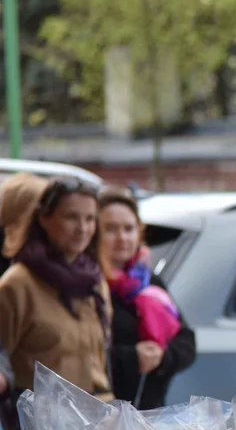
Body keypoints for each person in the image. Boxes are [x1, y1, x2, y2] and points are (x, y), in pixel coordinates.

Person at [0, 175, 113, 402]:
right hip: (42, 426)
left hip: (99, 421)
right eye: (71, 217)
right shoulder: (18, 284)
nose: (82, 228)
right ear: (43, 218)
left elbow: (101, 363)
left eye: (90, 219)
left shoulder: (95, 282)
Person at [98, 187, 196, 410]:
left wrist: (163, 357)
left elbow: (187, 341)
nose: (122, 237)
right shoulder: (89, 285)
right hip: (102, 415)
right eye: (110, 229)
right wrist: (132, 358)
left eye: (129, 228)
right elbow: (79, 356)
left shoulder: (149, 282)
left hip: (150, 414)